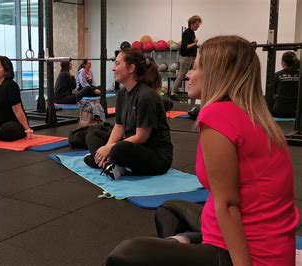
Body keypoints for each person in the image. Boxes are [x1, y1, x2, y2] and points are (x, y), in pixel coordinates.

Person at [106, 36, 299, 265]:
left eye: (196, 67)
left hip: (251, 253)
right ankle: (186, 240)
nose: (189, 74)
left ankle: (186, 243)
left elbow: (228, 205)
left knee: (125, 254)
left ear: (216, 74)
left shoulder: (217, 114)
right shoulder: (255, 115)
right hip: (251, 236)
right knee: (169, 209)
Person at [84, 48, 173, 180]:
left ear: (131, 68)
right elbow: (119, 126)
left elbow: (142, 137)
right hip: (132, 145)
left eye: (117, 64)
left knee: (119, 150)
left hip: (155, 155)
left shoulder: (146, 96)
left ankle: (108, 162)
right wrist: (107, 147)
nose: (113, 69)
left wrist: (110, 149)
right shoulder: (122, 94)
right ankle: (111, 163)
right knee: (93, 133)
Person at [170, 15, 202, 100]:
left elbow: (190, 45)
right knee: (181, 76)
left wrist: (196, 45)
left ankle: (191, 92)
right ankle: (172, 93)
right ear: (191, 23)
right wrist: (194, 44)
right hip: (186, 58)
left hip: (191, 57)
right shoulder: (186, 33)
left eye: (198, 25)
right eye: (196, 25)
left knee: (191, 75)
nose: (197, 27)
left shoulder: (192, 33)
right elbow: (184, 47)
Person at [272, 51, 300, 118]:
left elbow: (272, 94)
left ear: (283, 63)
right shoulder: (300, 75)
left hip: (279, 111)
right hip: (297, 112)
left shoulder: (278, 75)